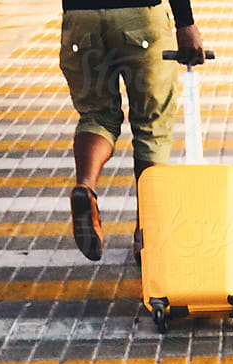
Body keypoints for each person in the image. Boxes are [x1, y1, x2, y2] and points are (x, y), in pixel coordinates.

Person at [60, 0, 205, 263]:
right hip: (141, 16)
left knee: (96, 117)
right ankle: (145, 234)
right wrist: (186, 23)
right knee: (152, 127)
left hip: (81, 18)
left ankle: (86, 187)